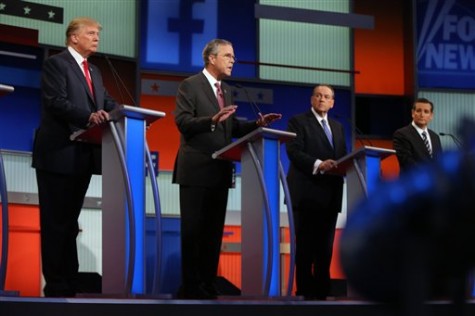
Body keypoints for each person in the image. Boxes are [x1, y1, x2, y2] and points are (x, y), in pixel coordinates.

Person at [172, 38, 281, 299]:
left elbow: (229, 129)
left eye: (233, 56)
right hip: (196, 168)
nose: (233, 60)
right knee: (194, 232)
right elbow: (183, 122)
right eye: (228, 55)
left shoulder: (228, 90)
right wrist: (211, 120)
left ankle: (208, 285)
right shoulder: (190, 85)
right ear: (212, 58)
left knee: (212, 233)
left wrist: (256, 124)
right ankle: (191, 287)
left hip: (220, 170)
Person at [32, 17, 118, 297]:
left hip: (81, 156)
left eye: (97, 34)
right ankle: (56, 285)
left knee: (70, 224)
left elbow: (104, 103)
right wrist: (88, 116)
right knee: (56, 223)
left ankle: (70, 282)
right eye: (91, 33)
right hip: (57, 154)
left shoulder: (94, 69)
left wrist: (127, 112)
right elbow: (55, 101)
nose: (96, 38)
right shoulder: (57, 64)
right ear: (73, 38)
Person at [286, 84, 348, 300]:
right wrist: (319, 164)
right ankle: (304, 290)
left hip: (330, 195)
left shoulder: (338, 127)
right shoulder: (298, 122)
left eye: (327, 97)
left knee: (325, 248)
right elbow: (293, 151)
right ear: (312, 99)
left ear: (333, 102)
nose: (322, 99)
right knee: (305, 246)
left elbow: (342, 156)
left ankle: (322, 291)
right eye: (319, 96)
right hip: (306, 193)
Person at [393, 98, 442, 172]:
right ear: (413, 113)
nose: (422, 115)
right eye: (419, 111)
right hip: (412, 181)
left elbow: (440, 161)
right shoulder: (401, 134)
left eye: (426, 112)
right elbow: (407, 161)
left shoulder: (435, 137)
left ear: (431, 115)